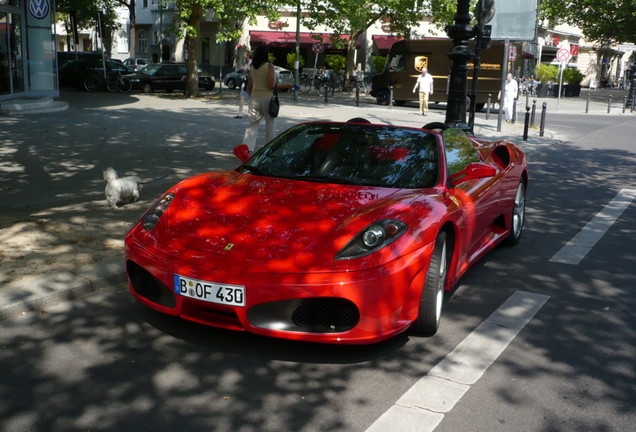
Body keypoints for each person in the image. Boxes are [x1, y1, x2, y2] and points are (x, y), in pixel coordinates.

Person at [242, 45, 297, 152]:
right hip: (267, 98)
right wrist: (288, 85)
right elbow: (270, 85)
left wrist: (252, 96)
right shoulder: (269, 66)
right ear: (265, 54)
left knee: (253, 124)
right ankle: (269, 148)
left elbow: (249, 85)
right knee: (270, 123)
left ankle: (247, 147)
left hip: (254, 98)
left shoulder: (252, 67)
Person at [235, 51, 252, 118]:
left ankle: (250, 112)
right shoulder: (247, 62)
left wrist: (245, 68)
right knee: (242, 96)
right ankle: (240, 113)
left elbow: (251, 70)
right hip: (245, 82)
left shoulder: (251, 62)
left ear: (248, 56)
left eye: (245, 55)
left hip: (249, 82)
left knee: (251, 98)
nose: (244, 56)